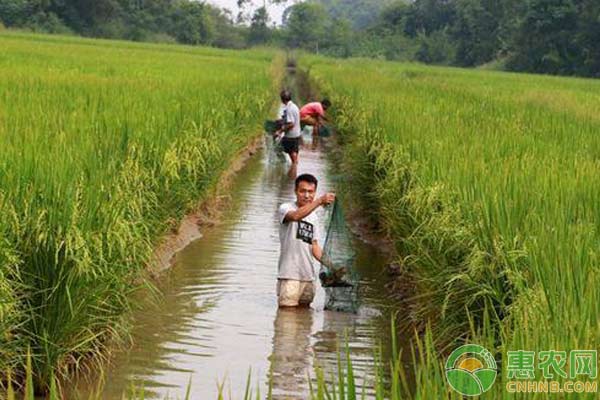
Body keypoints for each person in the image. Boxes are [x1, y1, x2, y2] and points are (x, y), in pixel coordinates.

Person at [277, 174, 335, 308]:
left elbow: (314, 247)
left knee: (304, 316)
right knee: (287, 317)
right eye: (303, 191)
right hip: (289, 275)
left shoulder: (314, 217)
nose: (307, 195)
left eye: (311, 192)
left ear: (315, 192)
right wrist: (319, 201)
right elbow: (296, 216)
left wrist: (332, 265)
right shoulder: (286, 208)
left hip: (308, 276)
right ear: (295, 191)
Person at [275, 90, 301, 166]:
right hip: (296, 134)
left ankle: (286, 165)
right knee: (293, 151)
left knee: (277, 149)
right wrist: (281, 121)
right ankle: (294, 165)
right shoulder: (294, 106)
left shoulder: (289, 109)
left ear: (282, 99)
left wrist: (279, 131)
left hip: (290, 136)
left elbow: (291, 124)